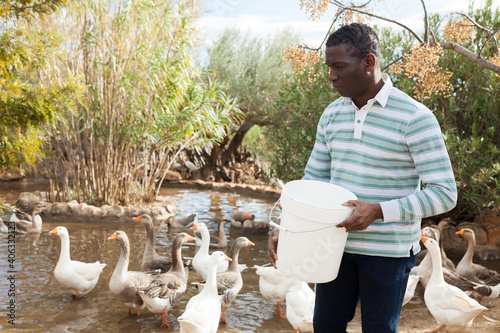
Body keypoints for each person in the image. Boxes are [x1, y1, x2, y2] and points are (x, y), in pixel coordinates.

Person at [267, 23, 457, 333]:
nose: (331, 76)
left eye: (339, 66)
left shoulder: (415, 118)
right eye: (329, 67)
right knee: (325, 326)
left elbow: (444, 193)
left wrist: (378, 210)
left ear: (368, 63)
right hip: (332, 245)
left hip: (389, 253)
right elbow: (313, 182)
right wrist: (289, 230)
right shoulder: (331, 115)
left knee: (378, 329)